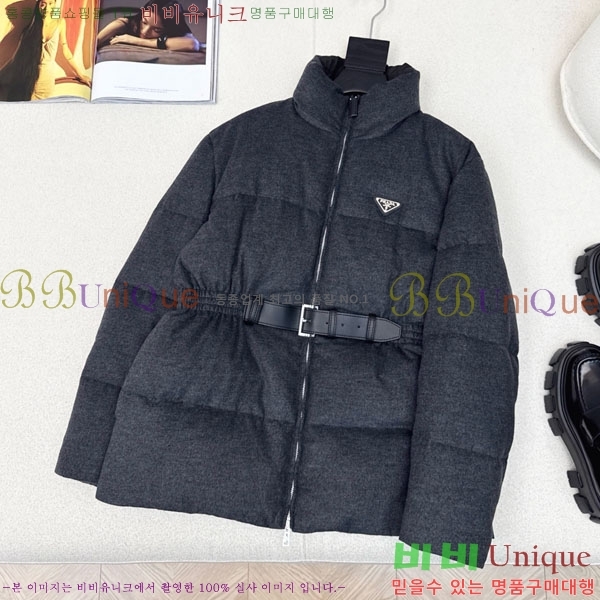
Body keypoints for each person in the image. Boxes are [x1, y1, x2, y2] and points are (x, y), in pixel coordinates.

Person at [0, 0, 91, 101]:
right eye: (43, 4)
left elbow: (66, 52)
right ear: (38, 5)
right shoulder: (30, 29)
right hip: (28, 77)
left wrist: (80, 75)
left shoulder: (60, 23)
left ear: (54, 4)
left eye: (50, 3)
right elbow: (16, 58)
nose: (47, 8)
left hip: (46, 80)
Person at [96, 0, 201, 52]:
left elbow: (192, 44)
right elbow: (94, 43)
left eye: (157, 29)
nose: (145, 31)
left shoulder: (176, 31)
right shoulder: (127, 23)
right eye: (144, 22)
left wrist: (134, 40)